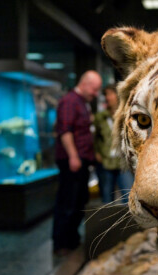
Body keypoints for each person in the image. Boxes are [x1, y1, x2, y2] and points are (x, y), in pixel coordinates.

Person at [52, 70, 102, 256]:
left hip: (81, 161)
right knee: (67, 202)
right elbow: (64, 130)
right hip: (72, 161)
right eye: (95, 89)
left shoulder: (81, 102)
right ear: (85, 83)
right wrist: (73, 156)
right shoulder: (70, 101)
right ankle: (61, 243)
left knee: (78, 201)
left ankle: (71, 239)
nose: (96, 94)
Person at [94, 84, 134, 204]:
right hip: (106, 163)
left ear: (117, 96)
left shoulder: (127, 115)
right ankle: (109, 223)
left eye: (110, 94)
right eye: (105, 94)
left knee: (128, 197)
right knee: (107, 199)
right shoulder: (100, 117)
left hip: (123, 163)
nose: (107, 97)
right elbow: (95, 137)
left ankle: (126, 223)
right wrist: (97, 153)